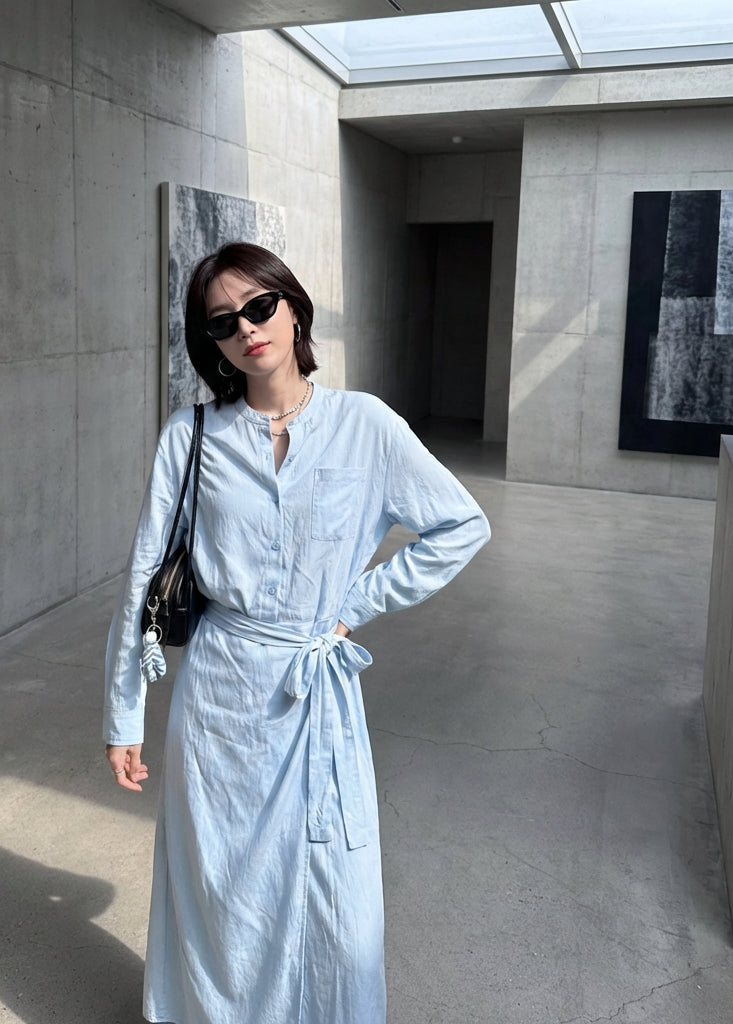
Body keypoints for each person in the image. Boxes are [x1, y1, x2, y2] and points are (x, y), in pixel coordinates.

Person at [104, 242, 490, 1024]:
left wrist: (356, 604)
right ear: (210, 342)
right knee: (220, 891)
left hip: (314, 689)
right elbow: (144, 575)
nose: (246, 329)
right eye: (223, 321)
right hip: (218, 694)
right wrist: (124, 715)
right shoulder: (191, 435)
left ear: (292, 307)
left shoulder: (365, 424)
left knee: (330, 890)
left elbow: (460, 525)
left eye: (259, 306)